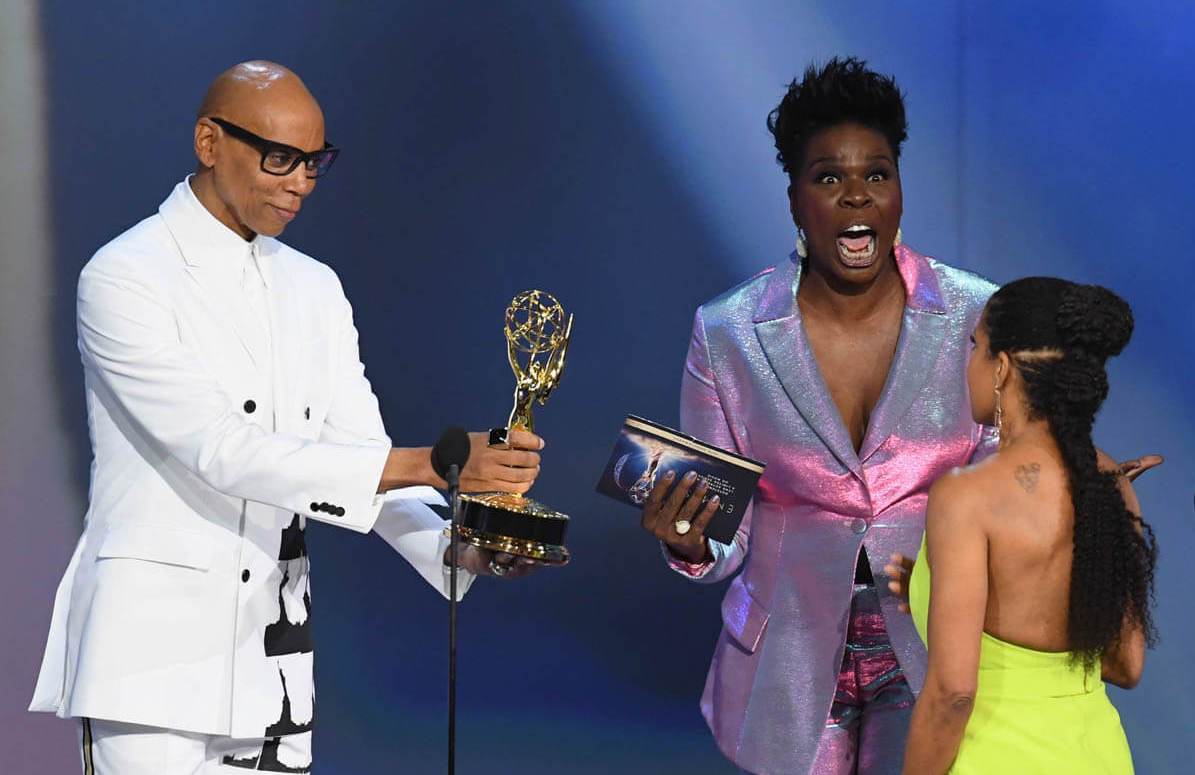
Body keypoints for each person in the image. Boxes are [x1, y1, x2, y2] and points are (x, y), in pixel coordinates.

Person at [638, 58, 1158, 774]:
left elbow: (1014, 474)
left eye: (876, 174)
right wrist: (692, 542)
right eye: (828, 177)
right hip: (784, 656)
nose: (856, 196)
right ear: (793, 197)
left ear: (898, 188)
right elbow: (726, 526)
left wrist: (1090, 479)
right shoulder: (726, 331)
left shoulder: (978, 316)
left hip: (935, 639)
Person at [29, 61, 543, 773]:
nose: (299, 181)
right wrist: (435, 461)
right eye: (279, 158)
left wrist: (458, 547)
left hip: (271, 658)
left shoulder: (313, 287)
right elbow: (220, 450)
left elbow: (360, 455)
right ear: (209, 142)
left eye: (314, 162)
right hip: (149, 663)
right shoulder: (125, 274)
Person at [900, 279, 1155, 773]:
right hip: (1098, 755)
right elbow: (1127, 665)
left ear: (1002, 367)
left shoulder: (967, 494)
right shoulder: (1112, 484)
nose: (968, 362)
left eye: (975, 345)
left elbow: (953, 694)